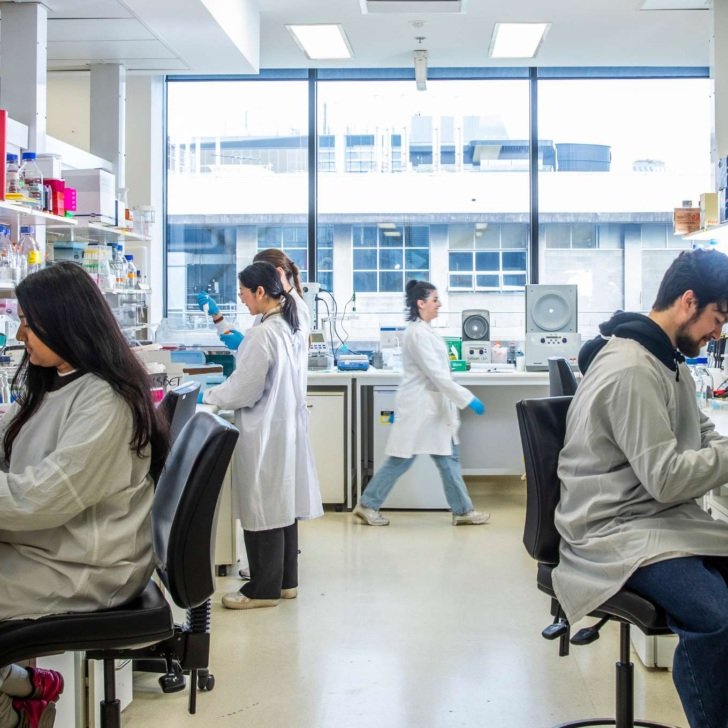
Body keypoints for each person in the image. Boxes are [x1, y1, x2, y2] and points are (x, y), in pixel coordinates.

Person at [553, 248, 728, 728]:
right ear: (688, 301)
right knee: (715, 617)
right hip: (615, 530)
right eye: (718, 318)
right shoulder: (632, 367)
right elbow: (668, 478)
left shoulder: (667, 360)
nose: (719, 333)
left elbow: (700, 435)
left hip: (653, 519)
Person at [0, 261, 168, 728]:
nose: (20, 333)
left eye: (29, 323)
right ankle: (28, 687)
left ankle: (18, 715)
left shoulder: (104, 400)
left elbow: (41, 499)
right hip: (56, 544)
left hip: (86, 563)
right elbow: (7, 437)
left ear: (64, 322)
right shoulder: (54, 381)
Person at [201, 261, 323, 610]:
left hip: (264, 428)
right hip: (283, 425)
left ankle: (262, 590)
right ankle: (286, 583)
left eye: (243, 294)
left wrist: (207, 396)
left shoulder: (263, 333)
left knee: (263, 505)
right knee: (281, 503)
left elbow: (244, 389)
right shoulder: (285, 325)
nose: (242, 302)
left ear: (259, 292)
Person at [353, 279, 490, 527]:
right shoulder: (417, 334)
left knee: (447, 458)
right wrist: (468, 398)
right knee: (403, 459)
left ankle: (463, 511)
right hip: (420, 408)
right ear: (421, 303)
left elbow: (440, 375)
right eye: (435, 299)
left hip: (432, 408)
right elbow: (437, 375)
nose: (440, 304)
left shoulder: (425, 331)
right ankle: (367, 504)